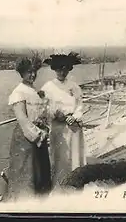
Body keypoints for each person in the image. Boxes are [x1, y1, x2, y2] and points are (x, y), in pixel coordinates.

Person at [6, 57, 52, 201]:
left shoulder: (32, 90)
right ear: (22, 73)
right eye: (28, 72)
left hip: (39, 135)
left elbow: (40, 114)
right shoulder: (18, 92)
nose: (32, 75)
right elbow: (23, 120)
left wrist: (45, 129)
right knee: (26, 171)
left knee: (40, 171)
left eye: (34, 72)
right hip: (26, 137)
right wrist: (38, 135)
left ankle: (39, 200)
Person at [41, 52, 86, 187]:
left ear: (69, 69)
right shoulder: (48, 87)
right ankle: (59, 182)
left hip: (73, 125)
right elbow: (43, 107)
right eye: (59, 69)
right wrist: (54, 113)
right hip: (58, 126)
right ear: (54, 69)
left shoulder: (74, 86)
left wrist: (75, 116)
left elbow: (80, 105)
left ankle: (76, 180)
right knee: (60, 156)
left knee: (75, 154)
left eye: (65, 69)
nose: (62, 72)